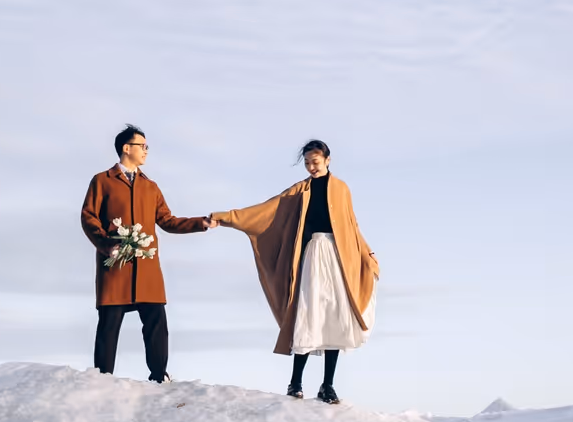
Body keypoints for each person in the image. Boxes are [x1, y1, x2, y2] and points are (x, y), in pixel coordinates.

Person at [213, 139, 378, 404]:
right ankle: (295, 383)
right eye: (307, 163)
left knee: (335, 317)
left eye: (316, 162)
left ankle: (328, 386)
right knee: (308, 314)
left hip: (339, 257)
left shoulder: (342, 189)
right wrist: (226, 217)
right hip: (313, 254)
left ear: (327, 160)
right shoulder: (299, 190)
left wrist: (367, 254)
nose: (312, 167)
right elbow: (266, 210)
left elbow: (351, 226)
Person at [79, 124, 216, 382]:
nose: (146, 151)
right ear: (126, 148)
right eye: (142, 146)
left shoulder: (150, 187)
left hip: (147, 268)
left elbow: (167, 221)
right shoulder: (102, 181)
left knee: (156, 322)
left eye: (146, 146)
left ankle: (158, 375)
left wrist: (201, 223)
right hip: (115, 265)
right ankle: (102, 379)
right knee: (109, 323)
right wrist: (106, 243)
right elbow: (88, 217)